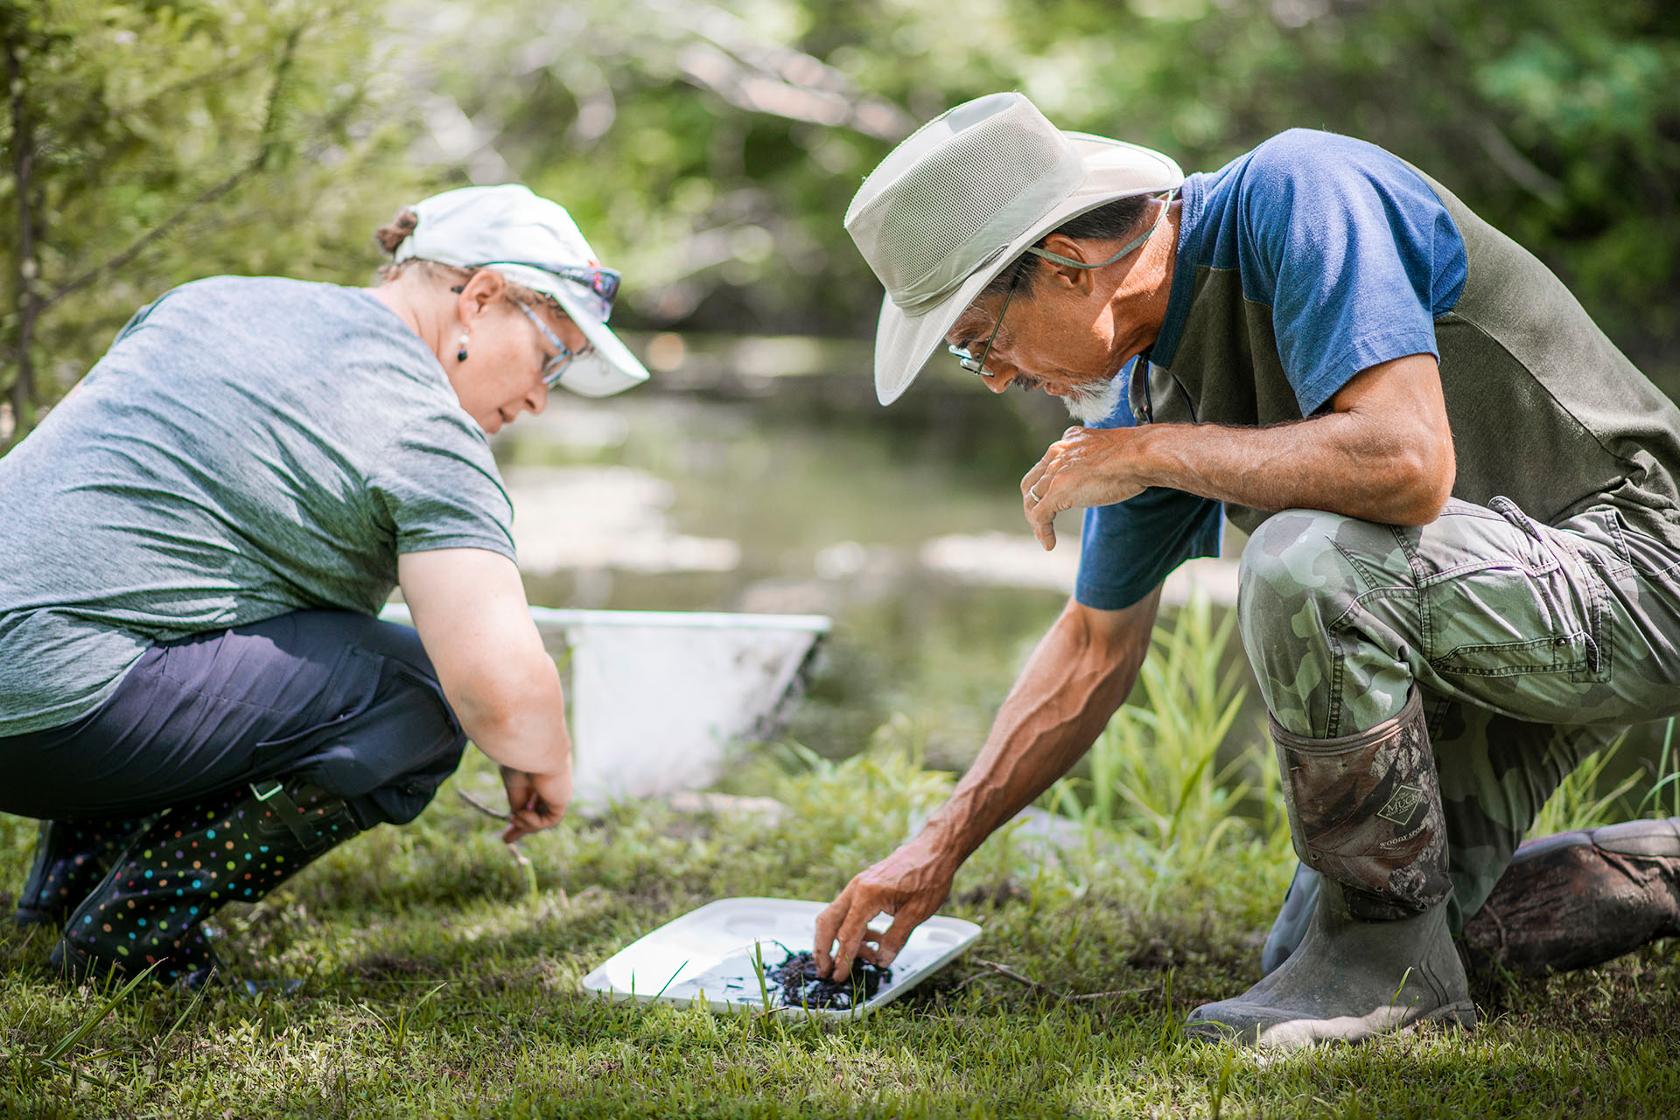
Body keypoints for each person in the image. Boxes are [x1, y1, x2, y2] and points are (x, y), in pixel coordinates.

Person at [815, 92, 1680, 1048]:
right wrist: (936, 849)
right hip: (1493, 619)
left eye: (981, 341)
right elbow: (1095, 648)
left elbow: (1405, 462)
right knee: (1345, 950)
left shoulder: (1302, 192)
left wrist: (1149, 455)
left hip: (1640, 561)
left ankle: (1380, 967)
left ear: (1062, 268)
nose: (999, 377)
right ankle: (1641, 875)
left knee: (1305, 559)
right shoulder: (1146, 389)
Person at [0, 183, 651, 987]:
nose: (541, 398)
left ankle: (63, 895)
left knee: (168, 609)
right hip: (55, 718)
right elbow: (500, 691)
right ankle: (131, 938)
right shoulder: (423, 423)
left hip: (42, 707)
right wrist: (543, 756)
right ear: (480, 298)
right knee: (420, 696)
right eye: (553, 356)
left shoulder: (210, 303)